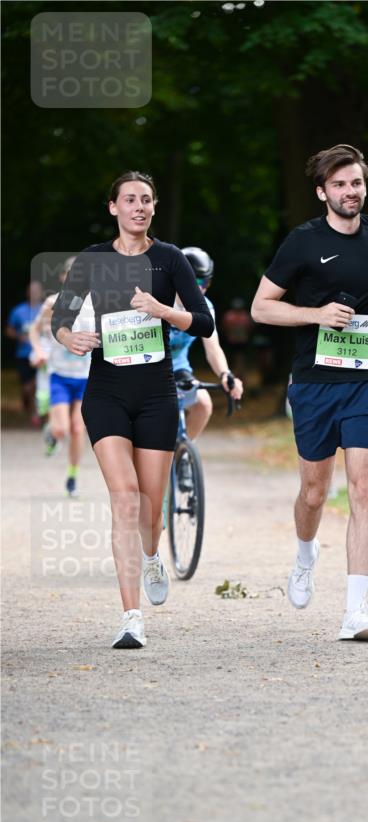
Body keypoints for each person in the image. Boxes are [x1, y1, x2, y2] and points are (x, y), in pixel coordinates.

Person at [251, 143, 368, 641]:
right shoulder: (302, 242)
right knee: (314, 491)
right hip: (316, 383)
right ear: (323, 192)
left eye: (356, 183)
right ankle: (305, 554)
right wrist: (315, 315)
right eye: (340, 185)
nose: (350, 192)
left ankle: (355, 611)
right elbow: (261, 307)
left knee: (364, 488)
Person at [51, 171, 214, 649]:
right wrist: (70, 337)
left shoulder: (168, 260)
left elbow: (203, 321)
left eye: (146, 200)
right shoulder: (93, 260)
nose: (139, 207)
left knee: (148, 509)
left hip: (157, 396)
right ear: (113, 208)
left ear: (154, 208)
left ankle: (152, 555)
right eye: (130, 200)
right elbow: (62, 317)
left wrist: (164, 310)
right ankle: (130, 616)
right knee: (123, 498)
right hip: (106, 393)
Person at [28, 257, 93, 497]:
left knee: (78, 429)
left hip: (85, 378)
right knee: (61, 430)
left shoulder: (96, 305)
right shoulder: (52, 303)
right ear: (64, 278)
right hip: (60, 376)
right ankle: (51, 431)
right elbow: (34, 332)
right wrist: (37, 351)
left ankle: (72, 477)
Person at [169, 246, 243, 441]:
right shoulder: (158, 299)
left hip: (177, 368)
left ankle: (182, 454)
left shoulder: (205, 308)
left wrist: (225, 374)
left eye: (205, 282)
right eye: (194, 281)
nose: (199, 288)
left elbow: (213, 348)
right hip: (149, 367)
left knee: (203, 405)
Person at [6, 281, 44, 426]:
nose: (34, 293)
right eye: (31, 290)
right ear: (27, 292)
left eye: (37, 290)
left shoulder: (45, 309)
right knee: (26, 388)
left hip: (41, 355)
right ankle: (29, 407)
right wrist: (18, 336)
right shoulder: (18, 311)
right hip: (23, 355)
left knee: (36, 385)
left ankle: (36, 415)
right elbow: (9, 330)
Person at [220, 297, 252, 382]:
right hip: (238, 340)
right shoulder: (244, 315)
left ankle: (237, 375)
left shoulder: (230, 315)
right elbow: (249, 328)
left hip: (236, 340)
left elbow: (225, 327)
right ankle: (237, 375)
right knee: (238, 358)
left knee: (238, 358)